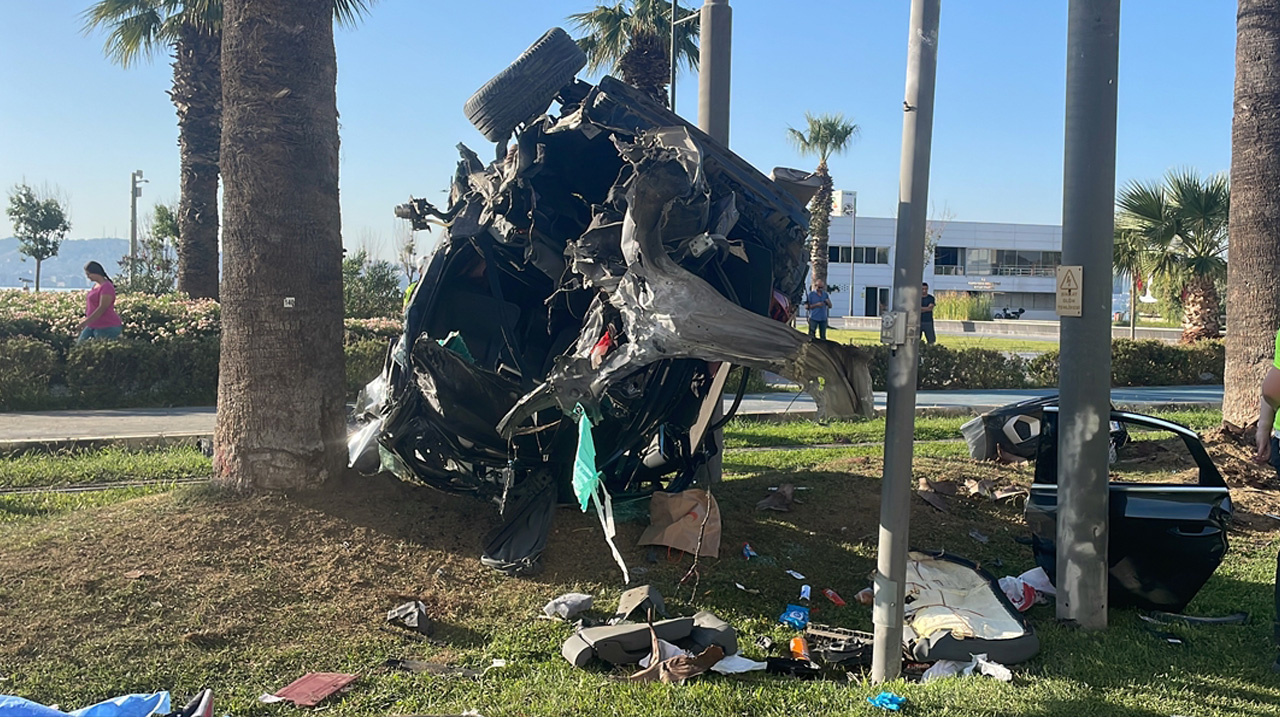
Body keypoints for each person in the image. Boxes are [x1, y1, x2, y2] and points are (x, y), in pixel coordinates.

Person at [75, 261, 123, 343]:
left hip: (107, 325)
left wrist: (85, 322)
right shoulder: (96, 286)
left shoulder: (106, 287)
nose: (88, 277)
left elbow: (102, 308)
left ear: (95, 273)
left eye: (88, 274)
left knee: (102, 351)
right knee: (80, 346)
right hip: (92, 324)